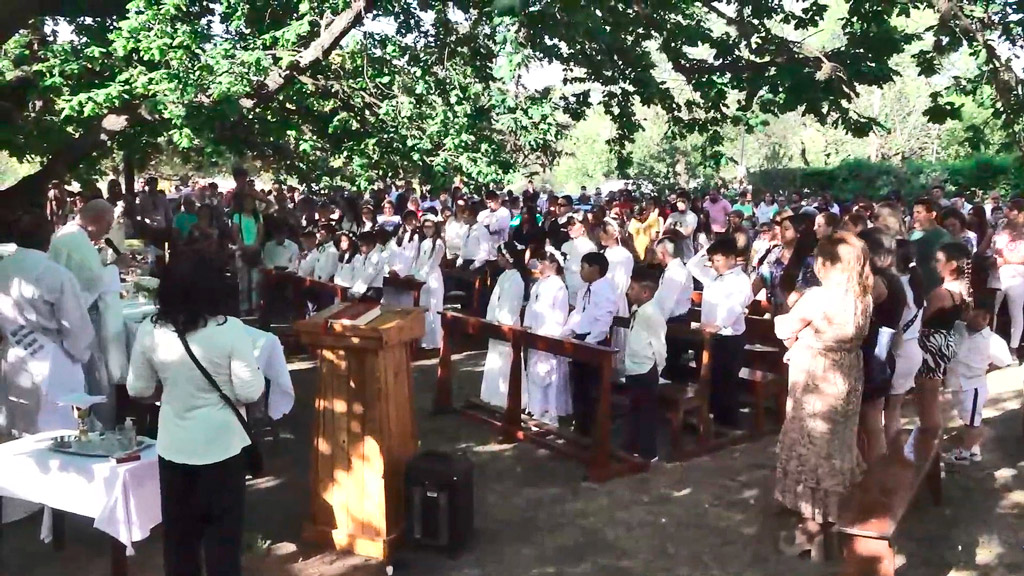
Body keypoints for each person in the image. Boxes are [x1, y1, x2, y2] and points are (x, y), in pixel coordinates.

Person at [126, 249, 264, 576]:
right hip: (224, 447)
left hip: (175, 447)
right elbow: (249, 391)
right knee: (223, 541)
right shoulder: (229, 329)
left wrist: (169, 389)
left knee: (179, 541)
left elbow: (138, 389)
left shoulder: (150, 330)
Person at [773, 232, 873, 557]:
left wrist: (798, 337)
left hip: (816, 374)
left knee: (812, 441)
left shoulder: (818, 296)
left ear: (826, 264)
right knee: (839, 439)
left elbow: (784, 327)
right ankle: (835, 508)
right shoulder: (863, 296)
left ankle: (811, 527)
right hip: (848, 372)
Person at [0, 212, 93, 438]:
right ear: (48, 239)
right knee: (58, 432)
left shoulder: (3, 269)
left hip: (14, 355)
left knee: (19, 426)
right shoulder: (57, 275)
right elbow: (76, 325)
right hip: (54, 360)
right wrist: (80, 353)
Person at [48, 199, 127, 427]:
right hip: (83, 318)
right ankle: (102, 428)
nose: (108, 230)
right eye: (108, 224)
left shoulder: (69, 235)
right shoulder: (75, 240)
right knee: (96, 375)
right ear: (97, 221)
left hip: (69, 315)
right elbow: (93, 280)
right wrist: (115, 267)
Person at [687, 237, 753, 428]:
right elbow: (693, 265)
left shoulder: (740, 280)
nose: (714, 265)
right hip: (708, 336)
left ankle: (728, 424)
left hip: (729, 337)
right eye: (713, 260)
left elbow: (735, 306)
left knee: (726, 380)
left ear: (732, 258)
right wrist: (708, 247)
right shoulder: (712, 276)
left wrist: (719, 324)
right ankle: (708, 417)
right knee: (707, 377)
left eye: (718, 260)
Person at [943, 300, 1013, 464]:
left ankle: (965, 453)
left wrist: (982, 370)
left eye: (980, 316)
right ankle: (973, 447)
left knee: (972, 422)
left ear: (987, 319)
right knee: (965, 417)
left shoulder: (993, 341)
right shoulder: (958, 327)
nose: (974, 319)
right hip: (956, 383)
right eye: (972, 314)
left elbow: (1003, 361)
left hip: (973, 386)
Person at [858, 229, 906, 462]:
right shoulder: (894, 279)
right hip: (883, 353)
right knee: (873, 418)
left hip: (873, 356)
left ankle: (875, 475)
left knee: (870, 421)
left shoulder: (878, 282)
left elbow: (856, 313)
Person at [915, 242, 972, 430]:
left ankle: (931, 449)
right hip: (943, 344)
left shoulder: (940, 294)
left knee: (928, 403)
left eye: (939, 260)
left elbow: (922, 320)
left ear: (952, 264)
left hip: (931, 348)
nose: (934, 264)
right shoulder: (960, 291)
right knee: (930, 400)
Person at [563, 252, 617, 436]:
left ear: (595, 269)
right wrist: (566, 333)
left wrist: (589, 343)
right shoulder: (584, 289)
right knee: (578, 385)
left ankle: (595, 430)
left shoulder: (606, 289)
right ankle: (581, 425)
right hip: (581, 338)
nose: (580, 271)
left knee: (592, 387)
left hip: (594, 341)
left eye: (583, 267)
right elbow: (578, 314)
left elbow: (603, 320)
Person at [622, 268, 667, 461]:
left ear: (646, 292)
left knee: (647, 412)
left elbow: (659, 345)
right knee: (634, 408)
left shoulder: (653, 314)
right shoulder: (637, 310)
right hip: (633, 367)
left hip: (646, 369)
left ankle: (649, 452)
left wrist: (658, 368)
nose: (628, 292)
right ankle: (632, 445)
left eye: (632, 288)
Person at [523, 248, 571, 426]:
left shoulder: (558, 286)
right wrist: (527, 326)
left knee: (549, 374)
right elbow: (531, 306)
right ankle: (536, 409)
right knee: (535, 372)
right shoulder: (539, 283)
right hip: (535, 331)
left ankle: (551, 413)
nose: (540, 266)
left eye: (543, 262)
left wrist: (551, 335)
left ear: (554, 265)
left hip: (549, 334)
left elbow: (559, 314)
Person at [884, 239, 926, 442]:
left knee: (888, 413)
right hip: (912, 349)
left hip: (898, 351)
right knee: (895, 410)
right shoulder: (916, 282)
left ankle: (892, 453)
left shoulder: (896, 285)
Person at [479, 242, 527, 409]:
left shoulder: (516, 279)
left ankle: (507, 399)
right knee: (495, 359)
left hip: (507, 325)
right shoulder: (505, 276)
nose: (498, 259)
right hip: (496, 323)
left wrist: (503, 321)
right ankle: (492, 396)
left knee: (507, 361)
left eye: (500, 256)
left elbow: (511, 305)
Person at [752, 212, 819, 315]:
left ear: (799, 232)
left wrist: (785, 314)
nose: (781, 232)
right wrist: (745, 300)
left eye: (786, 229)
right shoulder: (775, 252)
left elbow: (801, 291)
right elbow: (761, 277)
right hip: (775, 309)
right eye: (781, 228)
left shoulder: (809, 260)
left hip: (797, 314)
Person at [412, 215, 445, 350]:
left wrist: (422, 275)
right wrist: (414, 274)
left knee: (434, 307)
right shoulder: (424, 243)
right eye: (425, 227)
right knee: (424, 307)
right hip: (422, 279)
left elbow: (433, 262)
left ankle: (435, 341)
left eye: (430, 227)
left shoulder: (438, 243)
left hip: (433, 278)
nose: (427, 230)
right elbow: (419, 261)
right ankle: (424, 340)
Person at [230, 194, 264, 316]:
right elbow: (235, 232)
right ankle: (244, 307)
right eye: (246, 202)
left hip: (255, 250)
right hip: (242, 250)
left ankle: (256, 307)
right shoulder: (237, 216)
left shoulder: (257, 217)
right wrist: (242, 245)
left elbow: (261, 232)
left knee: (256, 282)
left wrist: (256, 244)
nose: (249, 204)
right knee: (243, 282)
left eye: (251, 202)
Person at [911, 197, 953, 293]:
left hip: (934, 287)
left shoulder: (943, 237)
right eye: (914, 212)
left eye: (919, 213)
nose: (914, 216)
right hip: (913, 287)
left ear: (932, 215)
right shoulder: (911, 234)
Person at [383, 210, 421, 308]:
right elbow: (385, 256)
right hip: (391, 279)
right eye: (409, 220)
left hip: (407, 280)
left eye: (414, 219)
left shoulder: (418, 237)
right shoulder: (395, 238)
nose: (412, 222)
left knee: (406, 309)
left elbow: (415, 258)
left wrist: (409, 275)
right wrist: (389, 270)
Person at [561, 215, 598, 305]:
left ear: (583, 226)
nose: (570, 228)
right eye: (568, 225)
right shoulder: (565, 246)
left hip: (582, 290)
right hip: (566, 289)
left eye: (573, 225)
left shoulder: (590, 247)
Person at [349, 232, 386, 302]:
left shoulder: (377, 257)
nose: (360, 248)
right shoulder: (363, 257)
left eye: (362, 245)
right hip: (363, 290)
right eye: (359, 246)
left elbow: (368, 276)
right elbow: (359, 275)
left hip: (373, 291)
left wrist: (356, 293)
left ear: (371, 245)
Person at [663, 193, 698, 261]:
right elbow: (665, 232)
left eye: (683, 201)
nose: (680, 204)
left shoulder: (692, 216)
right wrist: (677, 232)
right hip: (672, 256)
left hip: (686, 256)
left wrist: (673, 231)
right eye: (678, 201)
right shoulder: (672, 216)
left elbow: (687, 233)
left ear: (689, 203)